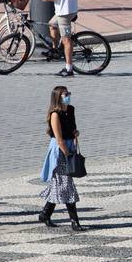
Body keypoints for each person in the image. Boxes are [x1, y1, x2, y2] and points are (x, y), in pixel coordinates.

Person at [40, 85, 84, 230]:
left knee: (59, 184)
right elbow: (58, 139)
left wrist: (75, 133)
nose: (68, 96)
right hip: (59, 150)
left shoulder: (70, 109)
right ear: (58, 97)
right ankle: (74, 221)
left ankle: (45, 213)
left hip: (70, 145)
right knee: (66, 183)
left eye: (68, 93)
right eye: (65, 94)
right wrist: (68, 155)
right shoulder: (55, 114)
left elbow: (72, 128)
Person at [41, 0, 78, 77]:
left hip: (64, 13)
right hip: (69, 10)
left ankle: (69, 69)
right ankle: (54, 49)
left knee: (66, 40)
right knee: (52, 24)